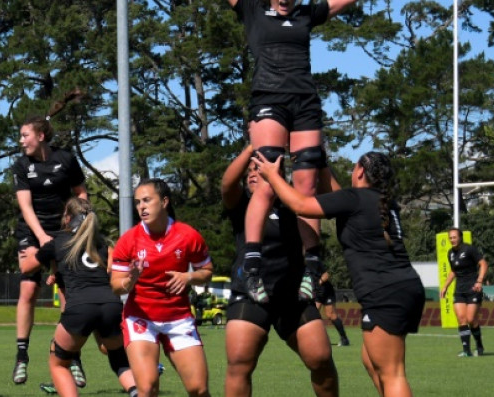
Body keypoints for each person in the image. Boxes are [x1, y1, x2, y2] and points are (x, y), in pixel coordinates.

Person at [198, 0, 401, 304]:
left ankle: (312, 264)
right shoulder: (252, 11)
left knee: (307, 185)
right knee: (269, 180)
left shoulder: (308, 15)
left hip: (305, 102)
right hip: (269, 99)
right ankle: (251, 264)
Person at [254, 151, 425, 397]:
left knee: (392, 371)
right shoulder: (380, 201)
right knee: (371, 360)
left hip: (384, 292)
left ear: (360, 172)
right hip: (403, 287)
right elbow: (338, 194)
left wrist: (272, 175)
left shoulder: (355, 199)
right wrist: (322, 163)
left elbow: (300, 205)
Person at [221, 145, 338, 397]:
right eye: (249, 171)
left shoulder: (293, 204)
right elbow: (227, 184)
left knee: (321, 359)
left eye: (259, 168)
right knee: (240, 363)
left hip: (292, 295)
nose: (252, 173)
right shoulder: (242, 205)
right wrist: (254, 146)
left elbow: (324, 195)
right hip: (251, 293)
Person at [19, 197, 138, 397]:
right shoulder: (101, 244)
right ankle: (137, 392)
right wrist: (58, 275)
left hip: (80, 307)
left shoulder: (58, 241)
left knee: (58, 363)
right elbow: (107, 273)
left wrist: (32, 252)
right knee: (119, 360)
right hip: (111, 305)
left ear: (68, 218)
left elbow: (27, 267)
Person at [11, 90, 88, 386]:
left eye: (24, 135)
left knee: (68, 295)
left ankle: (72, 357)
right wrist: (42, 237)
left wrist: (79, 223)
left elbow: (81, 193)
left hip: (63, 232)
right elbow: (25, 207)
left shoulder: (66, 159)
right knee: (29, 287)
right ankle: (21, 356)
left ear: (40, 135)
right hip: (32, 231)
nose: (21, 140)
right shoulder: (21, 166)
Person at [111, 178, 214, 397]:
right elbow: (115, 286)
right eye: (138, 202)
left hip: (178, 318)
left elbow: (207, 272)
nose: (141, 207)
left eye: (147, 200)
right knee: (147, 388)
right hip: (140, 319)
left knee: (199, 389)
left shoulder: (188, 236)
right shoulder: (128, 240)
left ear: (164, 201)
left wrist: (188, 277)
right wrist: (130, 281)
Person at [440, 228, 489, 357]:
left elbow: (483, 264)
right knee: (462, 319)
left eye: (454, 237)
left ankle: (479, 345)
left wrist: (479, 281)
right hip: (459, 290)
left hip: (473, 289)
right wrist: (445, 286)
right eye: (450, 238)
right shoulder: (450, 253)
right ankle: (466, 350)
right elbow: (453, 271)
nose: (452, 240)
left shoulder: (469, 249)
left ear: (460, 237)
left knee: (471, 319)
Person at [314, 269, 350, 347]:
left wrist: (319, 282)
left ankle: (344, 339)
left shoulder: (313, 261)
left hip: (327, 292)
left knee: (331, 315)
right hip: (316, 292)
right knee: (313, 315)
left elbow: (326, 275)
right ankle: (316, 339)